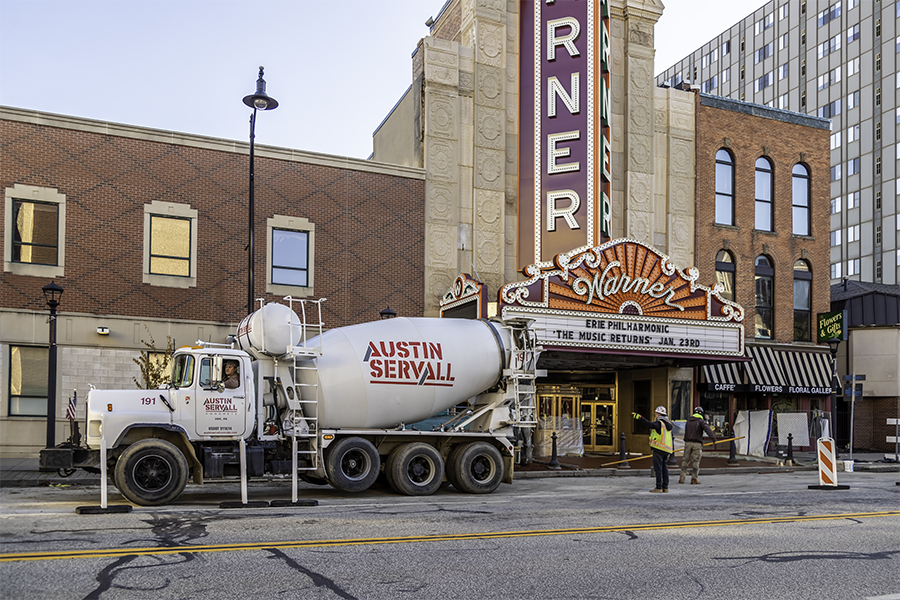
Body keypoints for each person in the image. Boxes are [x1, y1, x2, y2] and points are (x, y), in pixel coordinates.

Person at [632, 406, 674, 493]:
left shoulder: (659, 423)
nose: (655, 415)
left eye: (656, 414)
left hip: (658, 449)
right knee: (664, 468)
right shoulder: (668, 424)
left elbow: (650, 425)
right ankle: (665, 487)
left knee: (658, 469)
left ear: (658, 414)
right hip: (666, 450)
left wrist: (640, 418)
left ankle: (658, 487)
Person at [679, 406, 717, 485]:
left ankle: (682, 478)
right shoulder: (701, 421)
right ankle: (694, 479)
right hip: (697, 443)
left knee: (685, 460)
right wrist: (713, 438)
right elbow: (708, 429)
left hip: (687, 443)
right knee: (696, 461)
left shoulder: (689, 421)